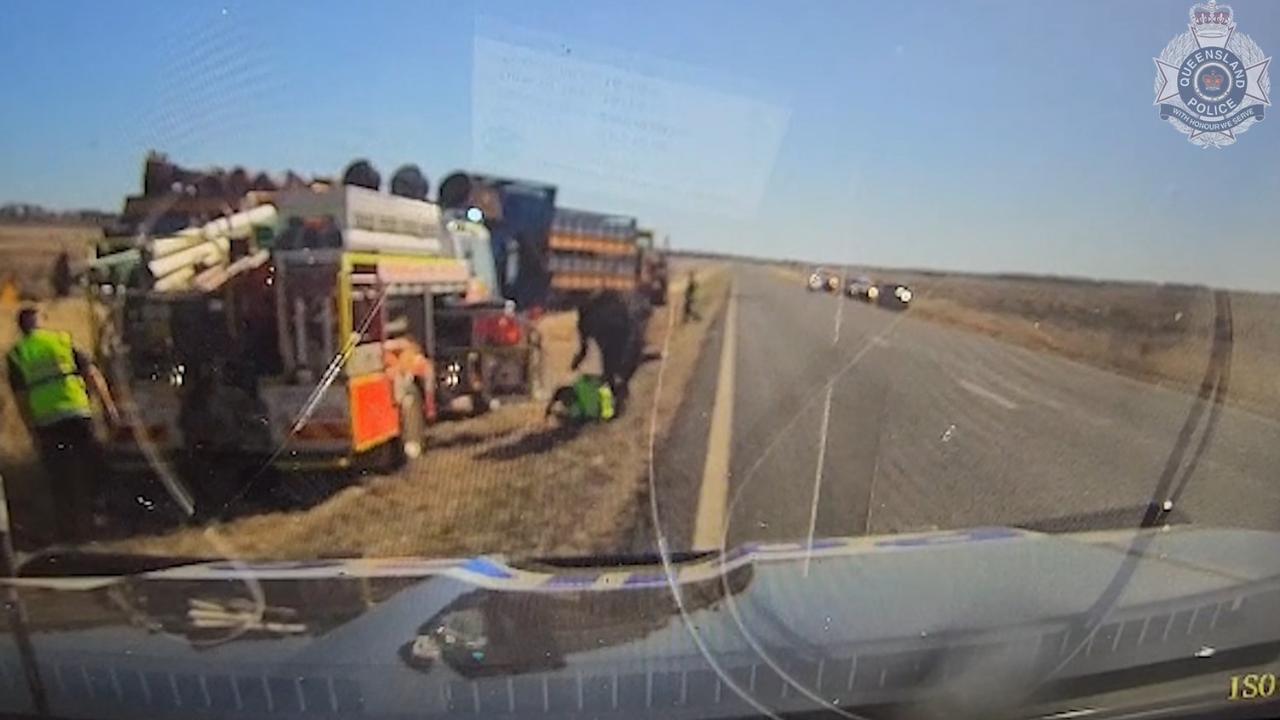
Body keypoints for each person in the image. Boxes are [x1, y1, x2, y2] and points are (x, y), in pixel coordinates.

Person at [6, 305, 119, 544]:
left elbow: (21, 399)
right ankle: (100, 519)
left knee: (61, 478)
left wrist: (32, 430)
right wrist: (109, 408)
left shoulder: (17, 354)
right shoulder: (62, 341)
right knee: (92, 467)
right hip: (77, 413)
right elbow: (93, 375)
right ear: (42, 321)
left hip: (47, 423)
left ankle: (69, 531)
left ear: (21, 328)